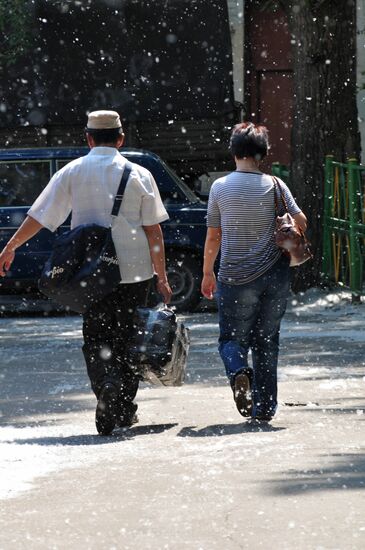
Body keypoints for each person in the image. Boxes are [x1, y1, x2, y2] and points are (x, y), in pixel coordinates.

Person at [0, 110, 172, 435]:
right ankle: (123, 408)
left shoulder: (72, 172)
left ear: (88, 137)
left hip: (92, 274)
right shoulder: (139, 174)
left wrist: (10, 246)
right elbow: (154, 232)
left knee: (97, 336)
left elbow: (39, 215)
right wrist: (161, 276)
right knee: (129, 338)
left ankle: (106, 384)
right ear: (121, 138)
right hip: (135, 271)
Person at [201, 122, 307, 422]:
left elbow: (214, 236)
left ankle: (238, 370)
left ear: (233, 150)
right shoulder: (275, 185)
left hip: (234, 276)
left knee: (231, 339)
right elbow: (302, 221)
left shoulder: (220, 187)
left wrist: (208, 272)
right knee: (267, 339)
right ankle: (264, 408)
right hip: (275, 275)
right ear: (263, 153)